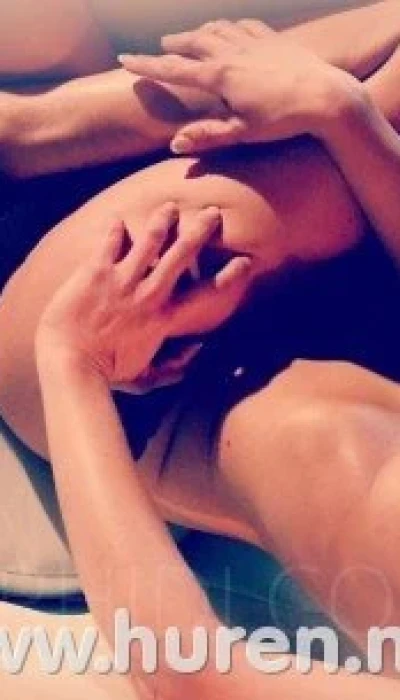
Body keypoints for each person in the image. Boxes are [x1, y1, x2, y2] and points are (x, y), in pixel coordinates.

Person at [1, 1, 400, 696]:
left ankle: (37, 128)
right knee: (49, 32)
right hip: (339, 286)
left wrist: (73, 361)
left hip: (147, 396)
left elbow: (192, 678)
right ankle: (52, 120)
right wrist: (342, 114)